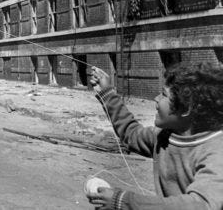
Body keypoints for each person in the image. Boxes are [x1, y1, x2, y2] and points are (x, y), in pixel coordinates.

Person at [87, 62, 223, 210]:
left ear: (186, 108)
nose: (156, 98)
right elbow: (131, 133)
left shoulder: (216, 151)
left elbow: (202, 204)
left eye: (164, 94)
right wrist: (107, 93)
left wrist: (124, 201)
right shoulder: (163, 137)